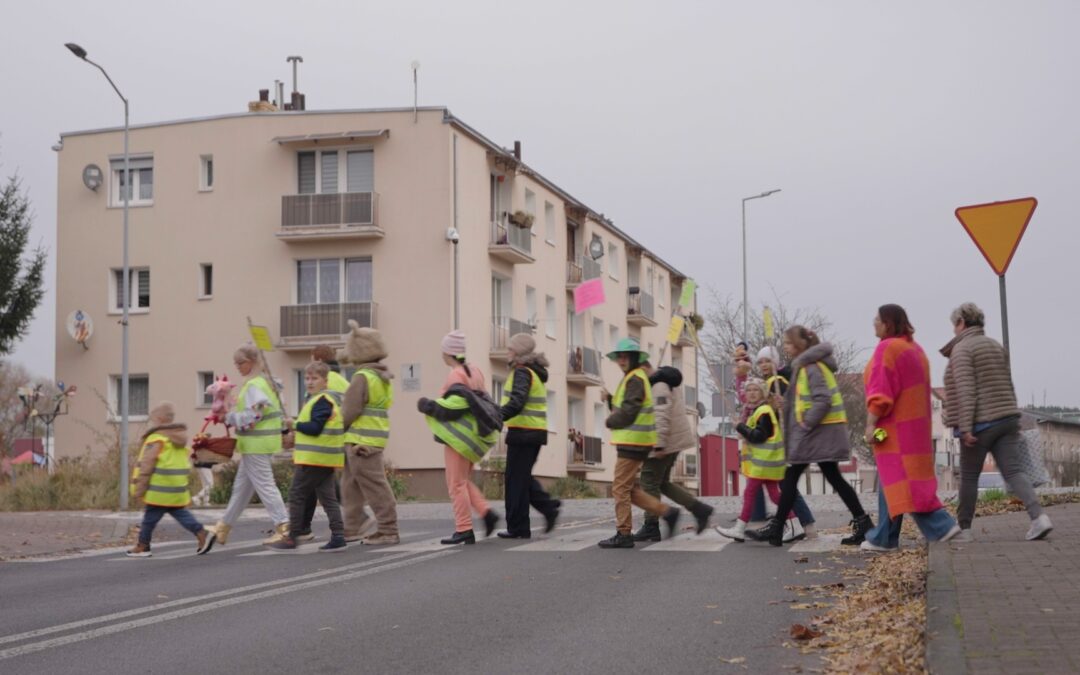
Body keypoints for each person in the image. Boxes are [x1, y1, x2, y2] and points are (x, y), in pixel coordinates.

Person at [747, 326, 872, 547]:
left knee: (792, 478)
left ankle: (777, 528)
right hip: (820, 432)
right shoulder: (809, 366)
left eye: (787, 343)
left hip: (818, 433)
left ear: (798, 345)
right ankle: (863, 523)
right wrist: (785, 405)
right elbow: (805, 402)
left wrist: (805, 424)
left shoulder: (811, 367)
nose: (784, 347)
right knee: (820, 478)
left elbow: (822, 400)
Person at [941, 302, 1052, 542]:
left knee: (969, 476)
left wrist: (967, 427)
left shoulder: (962, 350)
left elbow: (966, 390)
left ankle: (964, 529)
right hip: (1008, 418)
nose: (953, 330)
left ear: (962, 323)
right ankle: (1039, 518)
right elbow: (1007, 383)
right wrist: (1014, 417)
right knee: (1013, 471)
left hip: (981, 424)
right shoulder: (994, 346)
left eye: (954, 325)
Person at [859, 305, 961, 552]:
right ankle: (884, 537)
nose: (873, 322)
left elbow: (882, 392)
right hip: (916, 430)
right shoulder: (915, 350)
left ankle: (941, 525)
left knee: (904, 484)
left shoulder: (888, 348)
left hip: (895, 430)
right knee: (891, 482)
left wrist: (871, 422)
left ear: (887, 323)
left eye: (877, 319)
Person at [418, 330, 500, 545]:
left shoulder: (456, 374)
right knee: (463, 481)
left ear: (448, 352)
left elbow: (458, 404)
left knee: (455, 484)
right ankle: (486, 513)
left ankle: (464, 529)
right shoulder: (476, 371)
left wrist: (430, 406)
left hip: (459, 438)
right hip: (474, 438)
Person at [597, 338, 680, 549]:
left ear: (634, 358)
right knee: (630, 489)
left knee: (619, 488)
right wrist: (609, 400)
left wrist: (610, 421)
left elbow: (631, 409)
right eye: (619, 357)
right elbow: (627, 404)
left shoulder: (634, 378)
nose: (622, 360)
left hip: (632, 442)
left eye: (626, 356)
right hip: (636, 442)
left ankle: (623, 533)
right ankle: (667, 513)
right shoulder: (633, 378)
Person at [205, 344, 290, 548]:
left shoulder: (254, 385)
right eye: (235, 362)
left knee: (265, 486)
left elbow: (255, 416)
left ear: (251, 362)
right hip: (259, 443)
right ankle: (223, 527)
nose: (237, 366)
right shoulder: (265, 383)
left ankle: (284, 527)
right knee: (241, 489)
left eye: (240, 362)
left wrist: (229, 417)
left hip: (256, 443)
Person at [267, 362, 347, 552]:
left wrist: (295, 425)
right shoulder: (318, 400)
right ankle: (338, 535)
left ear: (325, 381)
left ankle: (292, 537)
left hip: (314, 459)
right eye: (307, 378)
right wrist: (293, 428)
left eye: (315, 378)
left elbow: (315, 428)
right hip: (322, 459)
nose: (310, 382)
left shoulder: (322, 401)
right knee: (328, 499)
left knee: (296, 495)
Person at [633, 363, 714, 541]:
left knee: (648, 481)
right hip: (673, 441)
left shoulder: (659, 385)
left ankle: (651, 525)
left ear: (645, 367)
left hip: (664, 442)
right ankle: (700, 509)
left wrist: (659, 445)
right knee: (661, 482)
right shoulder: (663, 381)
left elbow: (661, 415)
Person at [717, 379, 803, 542]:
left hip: (764, 463)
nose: (752, 393)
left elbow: (759, 436)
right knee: (775, 495)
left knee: (750, 492)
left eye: (756, 390)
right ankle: (795, 525)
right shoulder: (760, 410)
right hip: (768, 463)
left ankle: (739, 528)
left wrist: (740, 427)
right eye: (749, 390)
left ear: (763, 393)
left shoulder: (763, 411)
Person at [337, 321, 400, 545]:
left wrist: (336, 430)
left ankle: (388, 529)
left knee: (375, 486)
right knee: (350, 484)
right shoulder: (380, 376)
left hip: (361, 442)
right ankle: (353, 525)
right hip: (371, 438)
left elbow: (350, 410)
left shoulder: (362, 377)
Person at [127, 402, 214, 557]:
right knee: (180, 513)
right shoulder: (178, 438)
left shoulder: (156, 439)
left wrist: (139, 488)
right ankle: (201, 532)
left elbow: (146, 465)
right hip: (177, 487)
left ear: (160, 419)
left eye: (154, 419)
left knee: (149, 519)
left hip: (159, 488)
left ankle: (143, 546)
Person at [497, 333, 560, 539]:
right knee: (521, 479)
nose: (507, 352)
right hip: (532, 432)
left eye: (510, 349)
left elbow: (517, 401)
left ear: (518, 352)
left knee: (515, 481)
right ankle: (548, 508)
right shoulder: (533, 372)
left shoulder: (522, 372)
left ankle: (519, 528)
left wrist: (497, 415)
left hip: (524, 433)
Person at [748, 346, 817, 535]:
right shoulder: (771, 382)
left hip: (786, 440)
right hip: (783, 440)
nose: (763, 365)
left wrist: (782, 405)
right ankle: (794, 524)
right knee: (784, 484)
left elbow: (791, 407)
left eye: (767, 361)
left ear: (775, 363)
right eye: (760, 362)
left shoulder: (777, 382)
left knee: (785, 484)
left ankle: (803, 525)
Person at [296, 344, 350, 541]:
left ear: (317, 360)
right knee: (324, 489)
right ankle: (306, 528)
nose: (309, 381)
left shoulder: (325, 381)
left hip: (320, 442)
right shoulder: (343, 381)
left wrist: (297, 426)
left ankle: (301, 529)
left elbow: (316, 415)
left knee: (308, 489)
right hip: (339, 438)